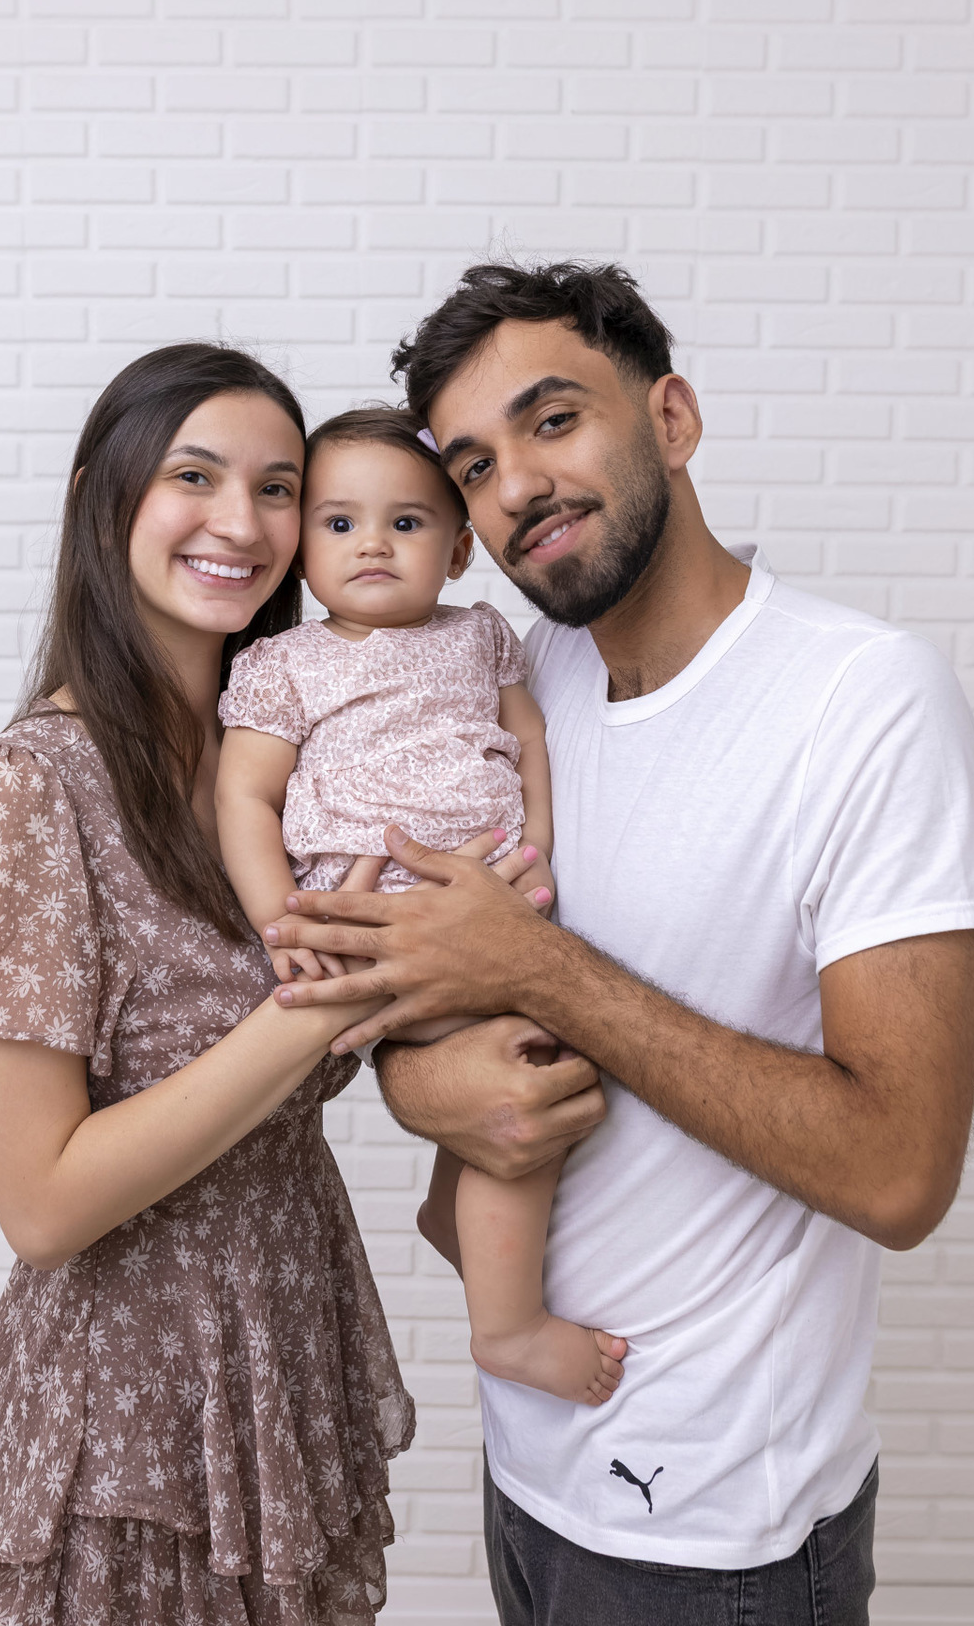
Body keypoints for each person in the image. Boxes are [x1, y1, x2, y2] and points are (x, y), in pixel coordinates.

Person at [261, 263, 974, 1626]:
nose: (518, 486)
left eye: (555, 422)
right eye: (476, 464)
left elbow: (901, 1173)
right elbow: (431, 993)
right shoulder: (506, 679)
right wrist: (422, 1075)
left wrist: (535, 973)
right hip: (530, 1463)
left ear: (671, 417)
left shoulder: (862, 699)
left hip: (720, 1522)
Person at [0, 345, 416, 1626]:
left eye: (280, 487)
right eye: (195, 476)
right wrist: (322, 1007)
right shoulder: (22, 796)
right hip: (126, 1415)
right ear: (100, 498)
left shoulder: (291, 770)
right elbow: (45, 1203)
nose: (242, 522)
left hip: (285, 1352)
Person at [215, 407, 625, 1408]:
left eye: (407, 523)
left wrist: (536, 857)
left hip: (488, 899)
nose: (371, 545)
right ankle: (511, 1326)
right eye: (340, 522)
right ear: (302, 546)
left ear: (455, 552)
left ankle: (457, 1207)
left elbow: (527, 742)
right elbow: (245, 797)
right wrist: (289, 926)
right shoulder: (286, 665)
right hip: (375, 923)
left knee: (516, 1076)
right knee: (528, 1067)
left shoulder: (482, 636)